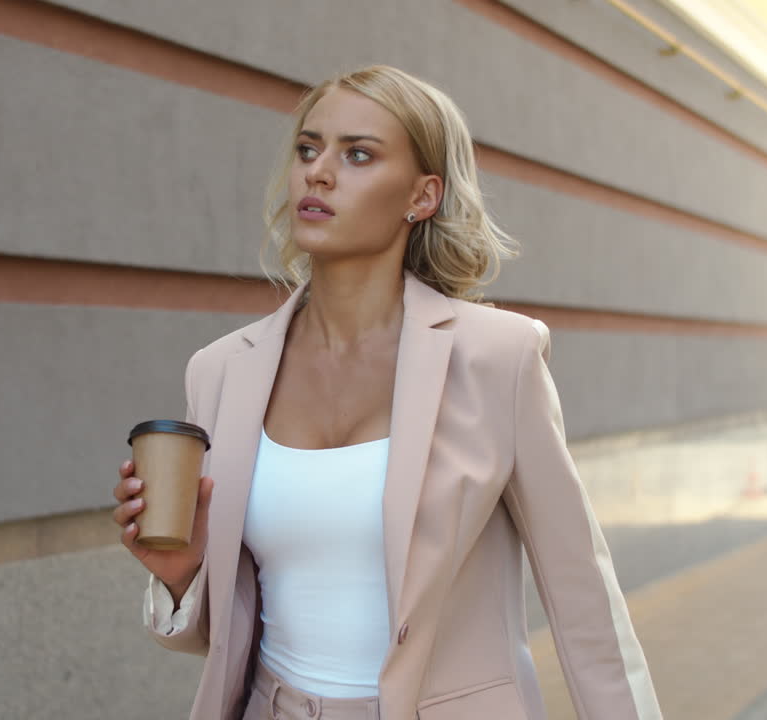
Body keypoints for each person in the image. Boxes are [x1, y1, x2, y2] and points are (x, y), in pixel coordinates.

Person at [112, 65, 661, 720]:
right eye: (308, 149)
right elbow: (225, 632)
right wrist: (179, 576)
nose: (319, 173)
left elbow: (585, 604)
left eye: (359, 155)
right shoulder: (221, 369)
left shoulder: (497, 358)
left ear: (422, 196)